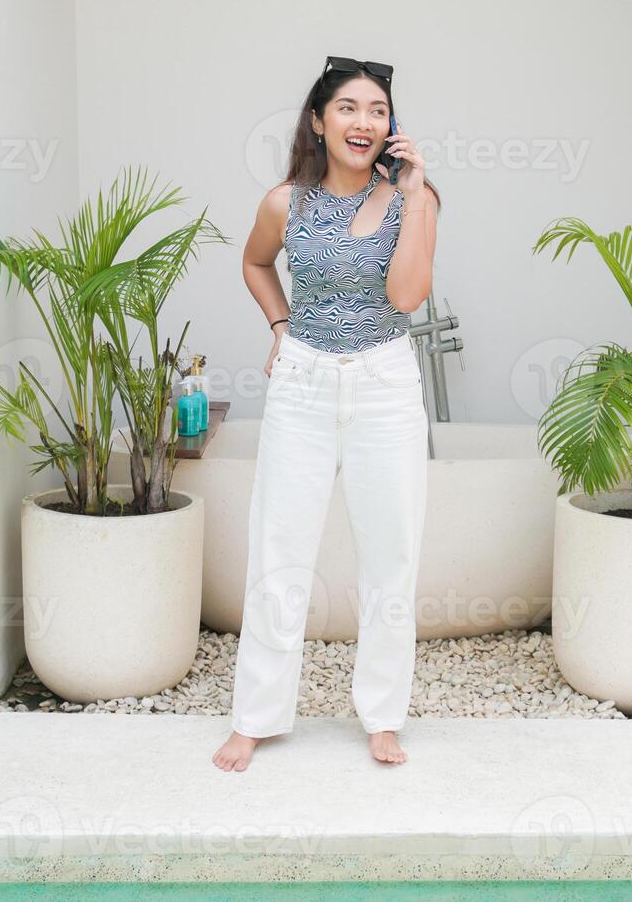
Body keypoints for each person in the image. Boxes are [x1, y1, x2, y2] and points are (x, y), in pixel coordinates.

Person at [212, 56, 441, 771]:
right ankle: (256, 717)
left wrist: (415, 192)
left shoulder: (415, 200)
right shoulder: (285, 202)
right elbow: (254, 263)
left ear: (391, 126)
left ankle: (382, 717)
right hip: (304, 384)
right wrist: (281, 328)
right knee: (278, 553)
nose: (363, 121)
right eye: (348, 108)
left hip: (384, 385)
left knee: (391, 556)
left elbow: (405, 298)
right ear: (319, 120)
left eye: (377, 110)